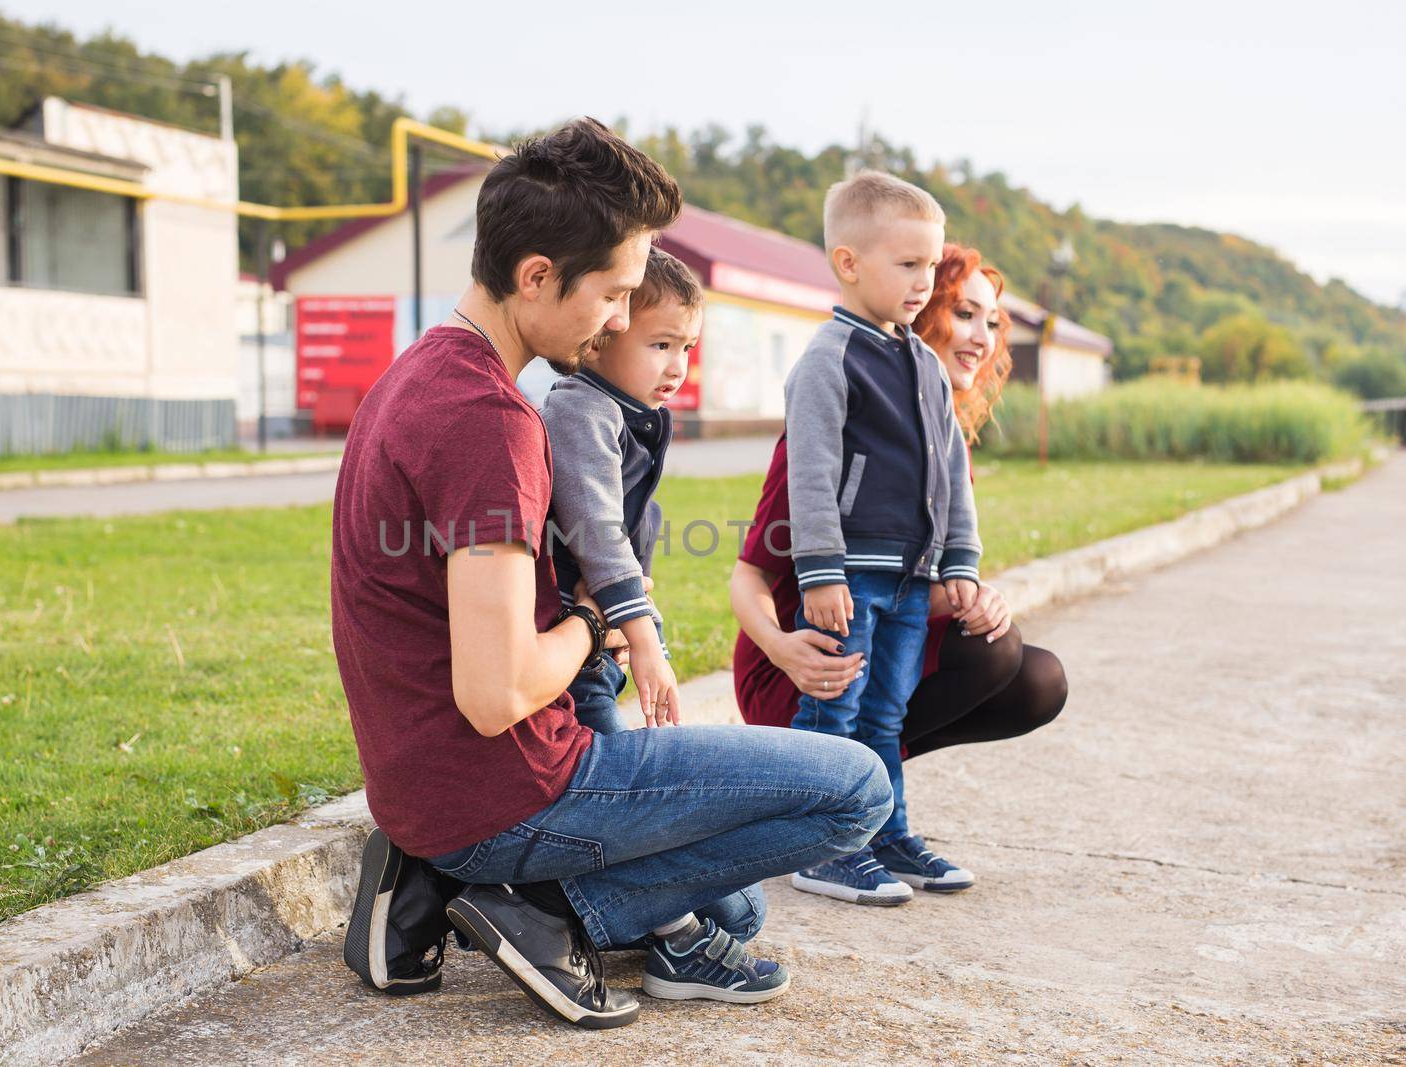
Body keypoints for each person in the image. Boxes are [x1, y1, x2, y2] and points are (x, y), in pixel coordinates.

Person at [330, 118, 891, 1030]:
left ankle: (442, 880)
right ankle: (542, 911)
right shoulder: (490, 422)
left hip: (430, 792)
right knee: (858, 788)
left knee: (737, 907)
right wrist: (595, 618)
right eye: (617, 293)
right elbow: (496, 691)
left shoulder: (419, 373)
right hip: (512, 790)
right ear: (537, 275)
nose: (624, 322)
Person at [730, 242, 1069, 902]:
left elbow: (921, 579)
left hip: (883, 642)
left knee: (1033, 675)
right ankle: (820, 822)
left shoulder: (943, 442)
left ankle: (878, 822)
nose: (982, 335)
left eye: (991, 321)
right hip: (803, 666)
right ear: (920, 309)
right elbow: (749, 574)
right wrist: (782, 647)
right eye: (965, 313)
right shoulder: (833, 415)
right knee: (991, 655)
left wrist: (971, 595)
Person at [779, 171, 982, 906]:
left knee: (885, 713)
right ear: (849, 263)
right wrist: (820, 572)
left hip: (909, 576)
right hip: (849, 578)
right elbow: (811, 475)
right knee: (835, 708)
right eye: (908, 265)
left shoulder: (925, 365)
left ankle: (884, 829)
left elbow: (951, 469)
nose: (925, 282)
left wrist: (960, 558)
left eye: (931, 266)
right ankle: (823, 845)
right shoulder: (829, 359)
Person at [543, 247, 701, 733]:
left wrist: (643, 629)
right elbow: (597, 532)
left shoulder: (630, 415)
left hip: (605, 629)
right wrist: (647, 643)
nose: (678, 368)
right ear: (597, 341)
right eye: (661, 346)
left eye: (687, 348)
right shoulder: (582, 411)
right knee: (601, 759)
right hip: (566, 635)